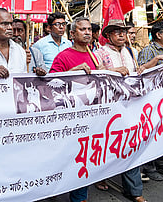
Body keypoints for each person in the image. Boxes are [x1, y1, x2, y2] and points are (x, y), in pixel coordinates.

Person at [44, 17, 101, 202]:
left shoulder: (94, 54)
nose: (87, 32)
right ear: (72, 34)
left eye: (89, 29)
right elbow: (51, 82)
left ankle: (80, 196)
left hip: (91, 115)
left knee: (85, 157)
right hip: (69, 117)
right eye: (82, 29)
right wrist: (74, 71)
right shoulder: (64, 56)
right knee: (69, 158)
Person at [94, 19, 146, 202]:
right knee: (107, 145)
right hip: (109, 108)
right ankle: (100, 176)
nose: (122, 35)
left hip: (130, 106)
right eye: (117, 32)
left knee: (131, 145)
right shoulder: (99, 53)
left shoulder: (130, 51)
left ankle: (134, 191)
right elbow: (95, 77)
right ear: (108, 35)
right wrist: (115, 71)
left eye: (124, 31)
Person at [137, 21, 163, 181]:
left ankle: (162, 163)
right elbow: (141, 73)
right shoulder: (149, 51)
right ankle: (149, 167)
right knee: (151, 135)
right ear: (159, 35)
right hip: (153, 102)